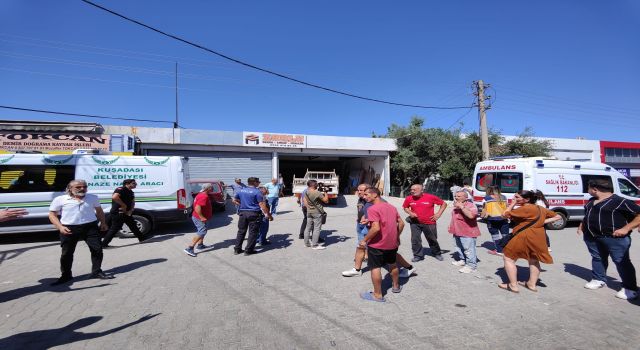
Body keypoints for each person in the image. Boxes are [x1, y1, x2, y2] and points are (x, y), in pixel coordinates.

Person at [578, 179, 640, 300]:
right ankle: (598, 279)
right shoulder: (592, 200)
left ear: (595, 189)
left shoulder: (620, 201)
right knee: (597, 257)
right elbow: (588, 214)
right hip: (592, 236)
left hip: (615, 238)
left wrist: (626, 228)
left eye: (588, 188)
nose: (587, 190)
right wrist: (582, 224)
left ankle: (630, 288)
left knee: (621, 262)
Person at [48, 179, 114, 285]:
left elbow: (99, 211)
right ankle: (66, 275)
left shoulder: (93, 197)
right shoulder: (60, 199)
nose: (82, 189)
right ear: (70, 188)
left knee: (97, 249)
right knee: (67, 253)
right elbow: (52, 215)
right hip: (69, 228)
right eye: (78, 187)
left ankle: (96, 271)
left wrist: (103, 223)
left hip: (90, 227)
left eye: (84, 186)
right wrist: (60, 227)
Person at [498, 190, 561, 293]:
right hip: (539, 236)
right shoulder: (540, 208)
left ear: (527, 199)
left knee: (508, 258)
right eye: (515, 197)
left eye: (517, 197)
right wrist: (541, 222)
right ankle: (531, 284)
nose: (515, 199)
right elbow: (557, 216)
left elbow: (504, 215)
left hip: (524, 236)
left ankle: (513, 285)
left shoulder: (524, 209)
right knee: (534, 259)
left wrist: (512, 204)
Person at [359, 187, 405, 302]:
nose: (364, 197)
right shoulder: (392, 207)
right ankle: (396, 286)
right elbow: (401, 223)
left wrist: (364, 239)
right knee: (393, 264)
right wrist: (397, 237)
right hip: (392, 243)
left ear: (375, 195)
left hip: (377, 244)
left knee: (375, 267)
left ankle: (378, 295)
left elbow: (376, 228)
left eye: (366, 194)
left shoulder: (373, 209)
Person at [402, 184, 447, 262]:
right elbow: (405, 207)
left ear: (422, 190)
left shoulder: (430, 197)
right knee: (415, 239)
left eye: (414, 190)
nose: (412, 191)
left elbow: (443, 204)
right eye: (411, 189)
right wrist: (410, 212)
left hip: (429, 222)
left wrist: (438, 214)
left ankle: (436, 253)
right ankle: (417, 255)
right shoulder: (409, 198)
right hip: (415, 223)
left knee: (432, 239)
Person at [101, 179, 147, 248]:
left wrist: (131, 210)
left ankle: (142, 238)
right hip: (118, 213)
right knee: (115, 228)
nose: (136, 184)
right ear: (127, 184)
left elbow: (133, 201)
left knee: (133, 225)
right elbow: (115, 197)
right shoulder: (121, 189)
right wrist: (123, 205)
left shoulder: (131, 192)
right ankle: (104, 244)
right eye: (133, 183)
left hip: (127, 213)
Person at [233, 177, 272, 255]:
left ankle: (237, 249)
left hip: (243, 213)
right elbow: (262, 205)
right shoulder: (257, 192)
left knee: (241, 231)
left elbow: (234, 200)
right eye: (258, 182)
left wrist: (242, 205)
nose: (259, 183)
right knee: (253, 232)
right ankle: (248, 250)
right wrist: (268, 215)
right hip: (254, 214)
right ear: (254, 182)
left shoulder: (241, 190)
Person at [449, 191, 481, 273]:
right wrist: (451, 226)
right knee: (459, 247)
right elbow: (455, 217)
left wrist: (462, 207)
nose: (456, 197)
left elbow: (471, 216)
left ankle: (471, 266)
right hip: (457, 231)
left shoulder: (471, 205)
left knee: (468, 249)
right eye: (456, 196)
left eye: (459, 196)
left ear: (466, 198)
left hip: (468, 232)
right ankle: (463, 260)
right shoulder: (456, 205)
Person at [183, 183, 214, 257]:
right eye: (211, 187)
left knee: (203, 231)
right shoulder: (204, 196)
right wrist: (201, 217)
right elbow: (197, 207)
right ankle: (189, 248)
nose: (212, 188)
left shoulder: (202, 194)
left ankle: (200, 245)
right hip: (199, 218)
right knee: (202, 231)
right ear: (207, 188)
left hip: (200, 217)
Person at [481, 185, 508, 255]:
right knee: (505, 235)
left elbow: (484, 209)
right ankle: (508, 250)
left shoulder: (486, 198)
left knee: (495, 235)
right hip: (503, 219)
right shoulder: (504, 197)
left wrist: (482, 216)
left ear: (489, 191)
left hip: (491, 219)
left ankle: (499, 250)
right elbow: (507, 206)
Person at [303, 180, 328, 250]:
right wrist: (326, 192)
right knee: (317, 229)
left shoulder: (306, 192)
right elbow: (326, 200)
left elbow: (304, 201)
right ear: (313, 185)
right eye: (316, 184)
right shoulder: (317, 192)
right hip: (317, 212)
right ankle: (315, 245)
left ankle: (306, 243)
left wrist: (309, 207)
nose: (317, 185)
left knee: (308, 228)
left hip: (309, 212)